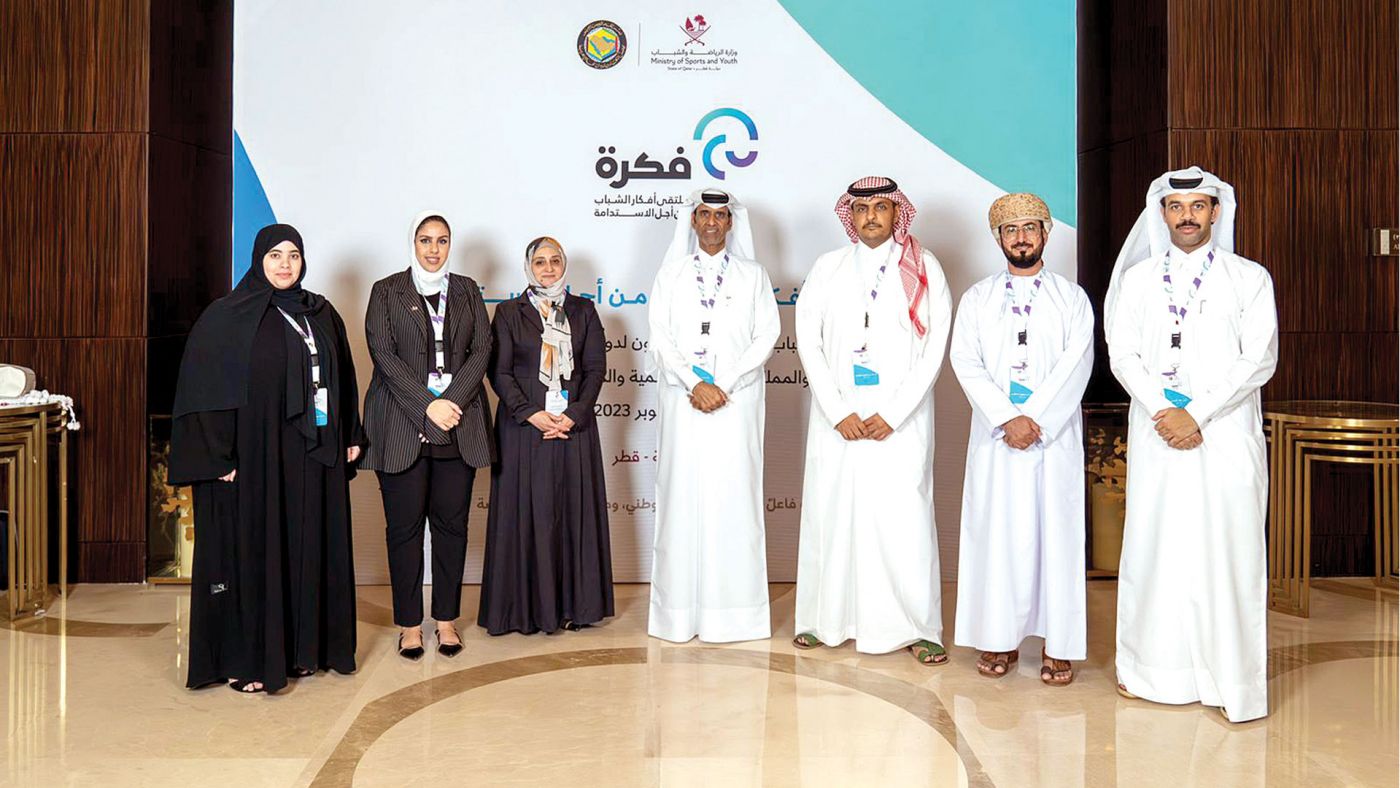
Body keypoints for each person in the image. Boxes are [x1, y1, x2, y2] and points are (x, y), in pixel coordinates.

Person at [1106, 166, 1278, 722]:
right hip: (1160, 434)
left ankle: (1230, 680)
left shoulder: (1249, 278)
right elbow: (1122, 354)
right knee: (1158, 548)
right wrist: (1166, 412)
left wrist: (1196, 413)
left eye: (1198, 207)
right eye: (1177, 208)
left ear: (1215, 212)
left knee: (1227, 552)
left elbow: (1259, 359)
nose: (1187, 217)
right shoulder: (1137, 281)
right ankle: (1153, 671)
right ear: (1162, 214)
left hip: (1224, 437)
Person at [169, 224, 363, 694]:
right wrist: (217, 456)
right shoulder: (227, 316)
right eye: (275, 255)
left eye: (293, 255)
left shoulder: (320, 311)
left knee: (305, 545)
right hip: (254, 458)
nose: (285, 264)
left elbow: (343, 375)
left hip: (312, 456)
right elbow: (202, 390)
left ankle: (302, 650)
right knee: (256, 551)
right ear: (259, 260)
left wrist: (351, 434)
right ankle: (248, 659)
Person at [792, 176, 953, 665]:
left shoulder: (922, 266)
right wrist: (838, 410)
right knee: (832, 514)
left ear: (896, 212)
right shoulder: (828, 267)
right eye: (861, 209)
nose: (871, 217)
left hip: (899, 421)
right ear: (851, 215)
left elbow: (935, 346)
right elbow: (807, 339)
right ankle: (824, 620)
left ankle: (917, 627)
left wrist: (894, 413)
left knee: (903, 520)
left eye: (881, 208)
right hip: (837, 418)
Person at [949, 193, 1093, 684]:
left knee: (1057, 538)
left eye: (1030, 227)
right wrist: (1006, 418)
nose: (1021, 238)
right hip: (997, 441)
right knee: (997, 537)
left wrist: (1036, 419)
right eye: (1011, 230)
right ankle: (998, 637)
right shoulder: (977, 298)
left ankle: (1059, 644)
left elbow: (1077, 362)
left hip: (1053, 440)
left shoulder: (1072, 298)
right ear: (998, 239)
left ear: (1046, 233)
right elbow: (965, 361)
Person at [646, 188, 780, 643]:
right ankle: (678, 616)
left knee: (733, 501)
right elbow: (660, 337)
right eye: (704, 214)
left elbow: (767, 335)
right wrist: (694, 383)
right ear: (692, 219)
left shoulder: (753, 275)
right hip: (684, 404)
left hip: (735, 404)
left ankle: (735, 616)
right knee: (681, 501)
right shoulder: (671, 274)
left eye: (720, 216)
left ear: (731, 222)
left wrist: (724, 383)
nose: (711, 223)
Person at [362, 211, 494, 660]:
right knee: (403, 531)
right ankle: (409, 625)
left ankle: (446, 620)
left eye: (441, 240)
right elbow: (383, 354)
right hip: (401, 427)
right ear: (413, 243)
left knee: (452, 528)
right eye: (425, 240)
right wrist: (427, 406)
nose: (433, 249)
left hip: (458, 424)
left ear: (450, 245)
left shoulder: (467, 290)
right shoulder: (386, 291)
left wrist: (449, 402)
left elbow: (482, 349)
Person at [479, 237, 614, 635]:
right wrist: (531, 414)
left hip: (573, 430)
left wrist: (573, 415)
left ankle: (576, 607)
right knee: (525, 515)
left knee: (571, 513)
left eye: (555, 260)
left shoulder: (583, 310)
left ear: (564, 265)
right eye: (540, 262)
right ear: (529, 267)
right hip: (523, 430)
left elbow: (595, 368)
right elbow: (499, 372)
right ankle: (524, 612)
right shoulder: (508, 312)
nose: (549, 268)